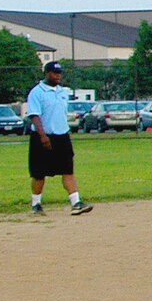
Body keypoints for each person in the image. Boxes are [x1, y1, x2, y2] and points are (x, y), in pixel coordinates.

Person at [26, 61, 94, 216]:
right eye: (54, 73)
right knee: (39, 173)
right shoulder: (37, 92)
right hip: (42, 136)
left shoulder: (62, 92)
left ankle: (76, 203)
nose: (58, 76)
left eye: (59, 73)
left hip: (62, 135)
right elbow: (34, 115)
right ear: (47, 73)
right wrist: (42, 135)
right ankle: (36, 205)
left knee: (67, 170)